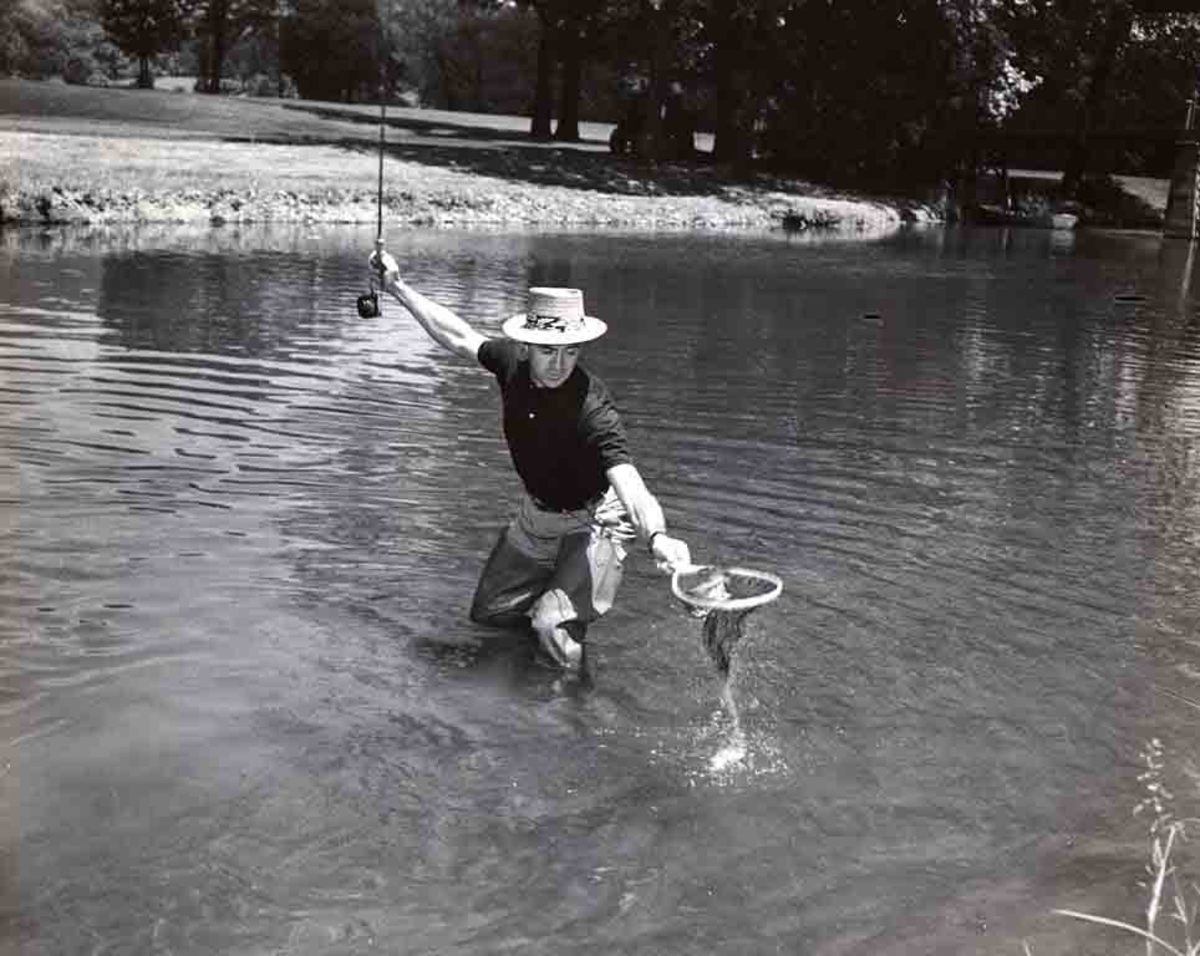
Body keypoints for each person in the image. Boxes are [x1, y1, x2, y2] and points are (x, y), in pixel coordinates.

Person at [369, 243, 693, 671]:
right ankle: (519, 686)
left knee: (551, 628)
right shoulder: (510, 363)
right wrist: (397, 288)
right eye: (548, 351)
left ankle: (570, 713)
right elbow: (458, 336)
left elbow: (629, 483)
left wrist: (658, 537)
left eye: (571, 351)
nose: (559, 364)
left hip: (596, 520)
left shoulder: (593, 409)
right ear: (527, 343)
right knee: (490, 618)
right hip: (536, 516)